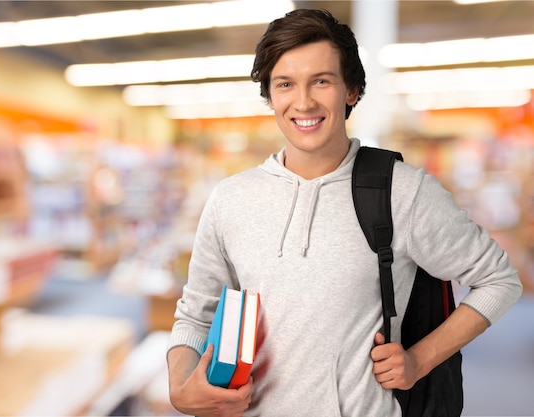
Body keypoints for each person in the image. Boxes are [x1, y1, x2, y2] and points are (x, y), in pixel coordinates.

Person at [166, 8, 523, 417]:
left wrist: (420, 360)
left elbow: (498, 280)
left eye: (321, 81)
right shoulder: (230, 199)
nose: (303, 102)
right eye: (285, 84)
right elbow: (196, 315)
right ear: (270, 96)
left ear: (351, 90)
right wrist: (179, 386)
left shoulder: (402, 191)